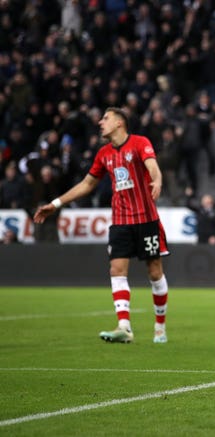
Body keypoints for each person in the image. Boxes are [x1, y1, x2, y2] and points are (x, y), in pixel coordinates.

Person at [34, 107, 170, 344]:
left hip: (147, 220)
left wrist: (157, 180)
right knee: (116, 270)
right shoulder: (104, 154)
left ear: (120, 123)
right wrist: (55, 204)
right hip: (120, 222)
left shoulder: (139, 143)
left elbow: (152, 166)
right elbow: (87, 184)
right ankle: (124, 327)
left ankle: (160, 326)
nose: (100, 122)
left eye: (105, 119)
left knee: (155, 272)